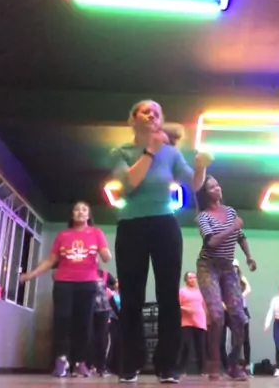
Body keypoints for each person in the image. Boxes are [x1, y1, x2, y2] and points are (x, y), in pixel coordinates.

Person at [110, 99, 212, 384]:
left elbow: (195, 184)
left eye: (156, 113)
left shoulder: (171, 154)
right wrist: (150, 151)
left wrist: (201, 167)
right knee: (132, 296)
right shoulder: (121, 152)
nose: (151, 115)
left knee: (168, 295)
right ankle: (130, 363)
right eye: (145, 111)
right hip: (131, 226)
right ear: (133, 119)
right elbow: (127, 184)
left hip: (165, 225)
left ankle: (167, 365)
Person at [20, 202, 111, 378]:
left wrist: (106, 254)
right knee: (62, 320)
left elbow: (106, 257)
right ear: (72, 215)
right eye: (76, 209)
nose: (80, 212)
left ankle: (80, 362)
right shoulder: (63, 235)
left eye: (84, 210)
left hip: (87, 284)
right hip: (64, 283)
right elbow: (50, 260)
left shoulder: (96, 233)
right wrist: (30, 275)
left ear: (88, 215)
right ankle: (61, 360)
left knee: (84, 323)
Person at [195, 175, 256, 381]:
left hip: (228, 268)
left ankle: (234, 363)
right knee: (217, 315)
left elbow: (240, 236)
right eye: (212, 187)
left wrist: (249, 256)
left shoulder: (230, 212)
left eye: (217, 185)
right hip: (208, 267)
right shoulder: (203, 216)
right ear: (205, 194)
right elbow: (211, 242)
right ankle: (213, 362)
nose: (217, 188)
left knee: (239, 316)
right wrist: (233, 228)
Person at [225, 260, 253, 373]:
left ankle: (247, 364)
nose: (234, 269)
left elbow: (249, 290)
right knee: (235, 339)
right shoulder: (226, 280)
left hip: (243, 309)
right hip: (232, 311)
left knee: (245, 339)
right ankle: (234, 364)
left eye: (236, 267)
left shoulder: (242, 278)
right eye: (232, 267)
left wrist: (240, 296)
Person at [177, 272, 207, 376]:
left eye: (194, 277)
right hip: (186, 321)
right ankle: (181, 369)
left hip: (199, 321)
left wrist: (206, 319)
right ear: (186, 280)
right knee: (186, 345)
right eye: (190, 278)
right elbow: (176, 305)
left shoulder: (200, 292)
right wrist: (185, 309)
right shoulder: (182, 291)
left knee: (200, 346)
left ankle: (202, 370)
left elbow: (204, 306)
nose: (193, 279)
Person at [89, 268, 117, 377]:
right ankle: (88, 365)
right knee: (89, 336)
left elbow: (116, 285)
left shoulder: (105, 274)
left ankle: (101, 367)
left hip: (104, 310)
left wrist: (111, 292)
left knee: (102, 338)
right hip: (88, 310)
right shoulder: (85, 273)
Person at [106, 279, 122, 374]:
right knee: (112, 341)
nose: (117, 283)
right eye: (116, 281)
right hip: (112, 319)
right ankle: (108, 365)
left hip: (120, 320)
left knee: (119, 342)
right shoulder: (111, 294)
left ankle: (117, 366)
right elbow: (112, 305)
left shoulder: (122, 294)